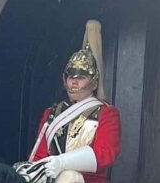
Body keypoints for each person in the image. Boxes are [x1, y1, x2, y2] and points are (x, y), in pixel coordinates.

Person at [25, 20, 121, 183]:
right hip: (51, 179)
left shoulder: (106, 114)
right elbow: (39, 155)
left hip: (88, 181)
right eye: (71, 77)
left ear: (94, 82)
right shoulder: (52, 112)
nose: (74, 83)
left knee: (70, 177)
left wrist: (62, 162)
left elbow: (105, 154)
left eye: (81, 78)